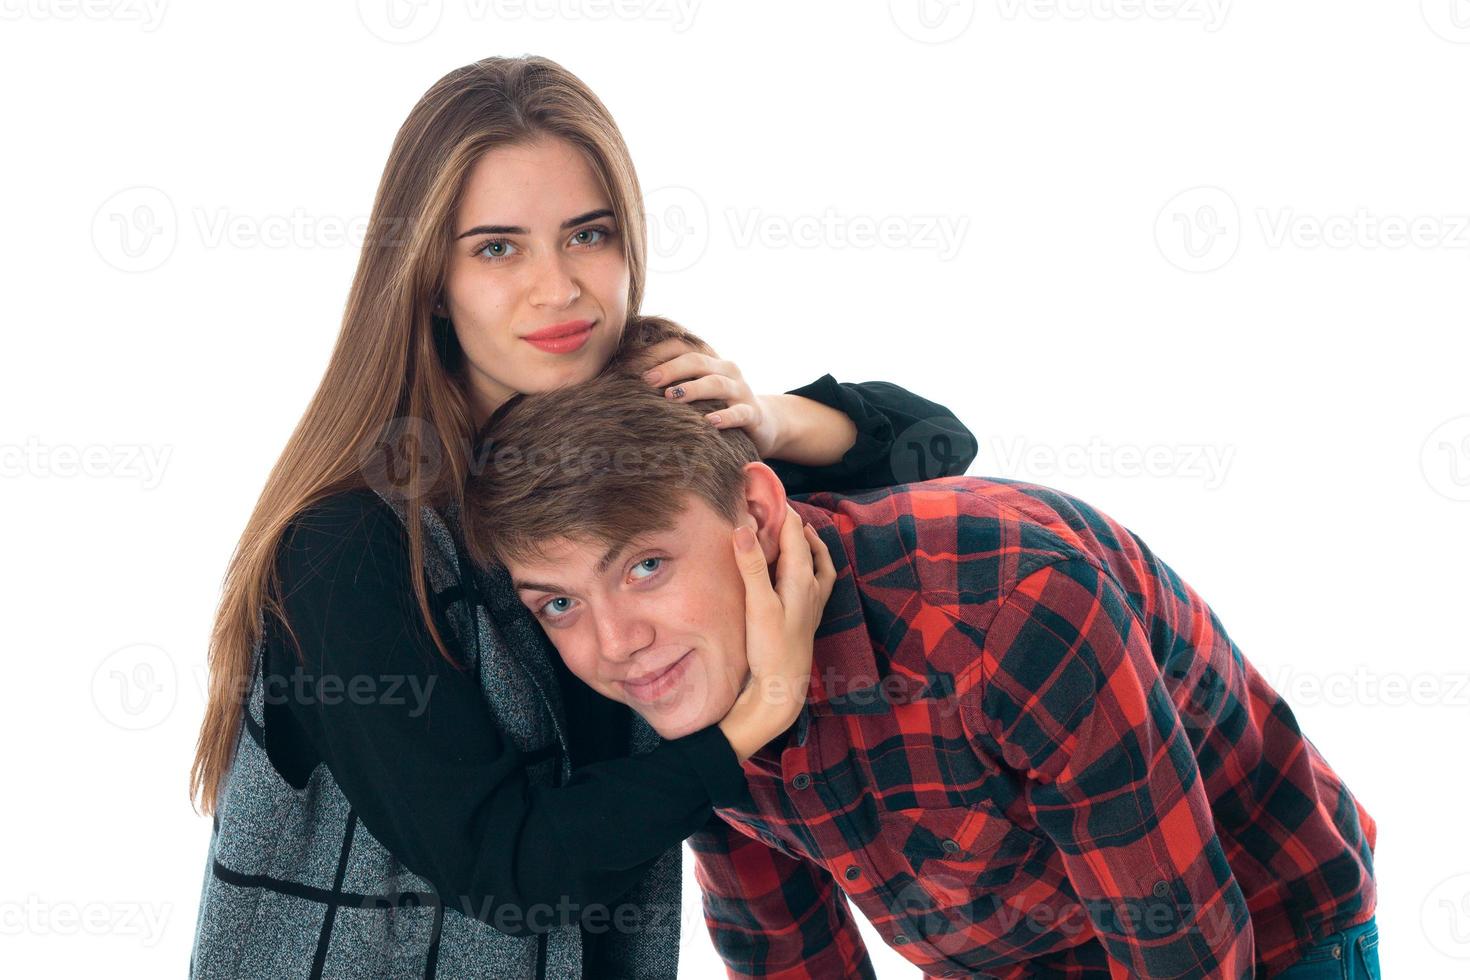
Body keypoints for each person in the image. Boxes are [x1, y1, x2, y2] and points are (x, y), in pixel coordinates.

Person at [186, 56, 977, 979]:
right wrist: (761, 709)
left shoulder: (624, 466)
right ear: (429, 279)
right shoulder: (352, 544)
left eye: (587, 235)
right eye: (496, 247)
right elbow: (505, 867)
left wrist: (766, 417)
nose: (557, 288)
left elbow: (935, 444)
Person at [463, 326, 1380, 979]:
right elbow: (785, 949)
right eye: (560, 602)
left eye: (646, 566)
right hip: (1016, 955)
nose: (617, 645)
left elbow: (1181, 948)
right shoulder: (679, 690)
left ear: (757, 511)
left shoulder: (1007, 610)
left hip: (1266, 925)